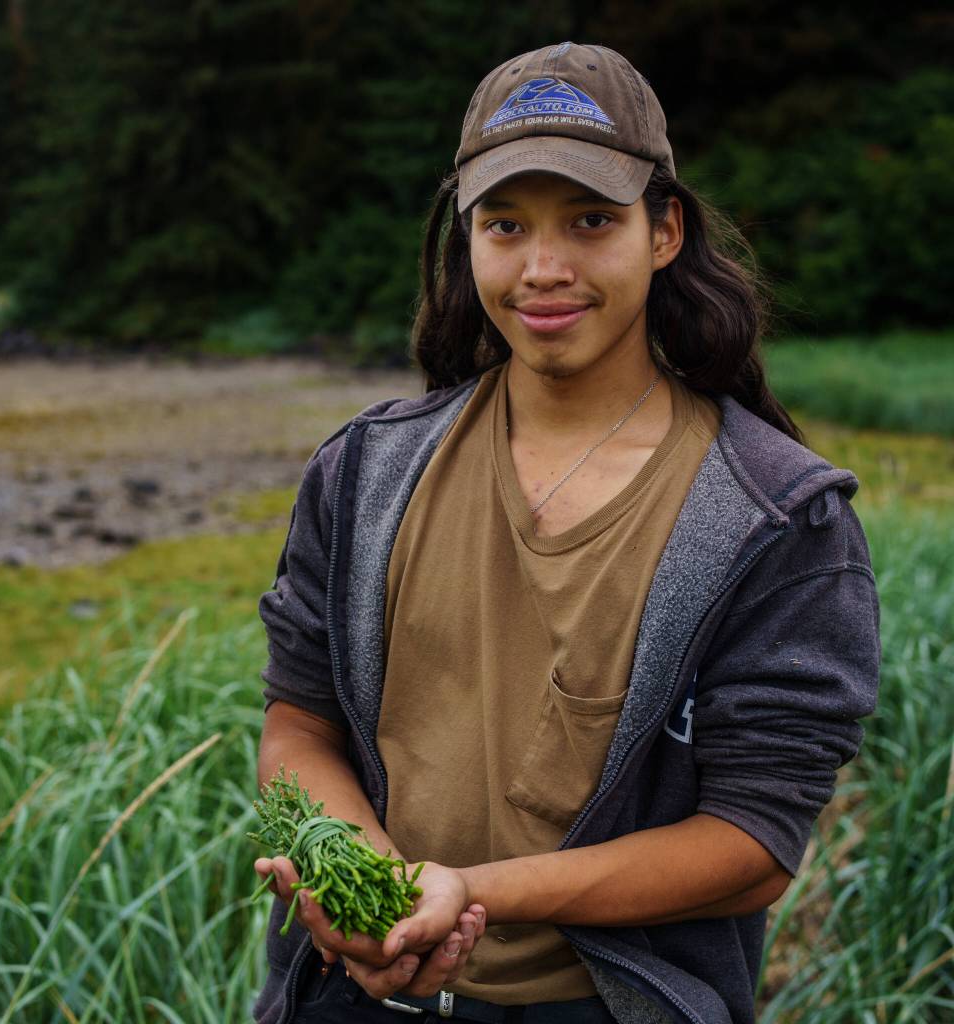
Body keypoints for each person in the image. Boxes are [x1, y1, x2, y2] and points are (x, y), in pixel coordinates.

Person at [250, 41, 880, 1024]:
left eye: (590, 221)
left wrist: (475, 891)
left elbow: (752, 839)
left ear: (663, 231)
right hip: (352, 996)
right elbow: (299, 724)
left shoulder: (775, 518)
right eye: (505, 224)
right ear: (467, 238)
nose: (542, 268)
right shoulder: (367, 471)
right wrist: (362, 884)